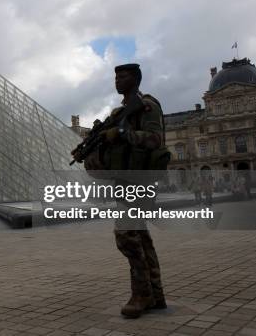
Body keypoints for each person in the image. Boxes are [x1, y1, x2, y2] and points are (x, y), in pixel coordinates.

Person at [74, 63, 167, 319]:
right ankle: (155, 294)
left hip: (140, 181)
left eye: (122, 76)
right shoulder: (119, 113)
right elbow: (109, 141)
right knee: (140, 238)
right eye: (115, 76)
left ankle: (141, 295)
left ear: (135, 79)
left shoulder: (147, 106)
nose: (117, 80)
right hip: (124, 182)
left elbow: (154, 139)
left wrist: (123, 133)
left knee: (126, 236)